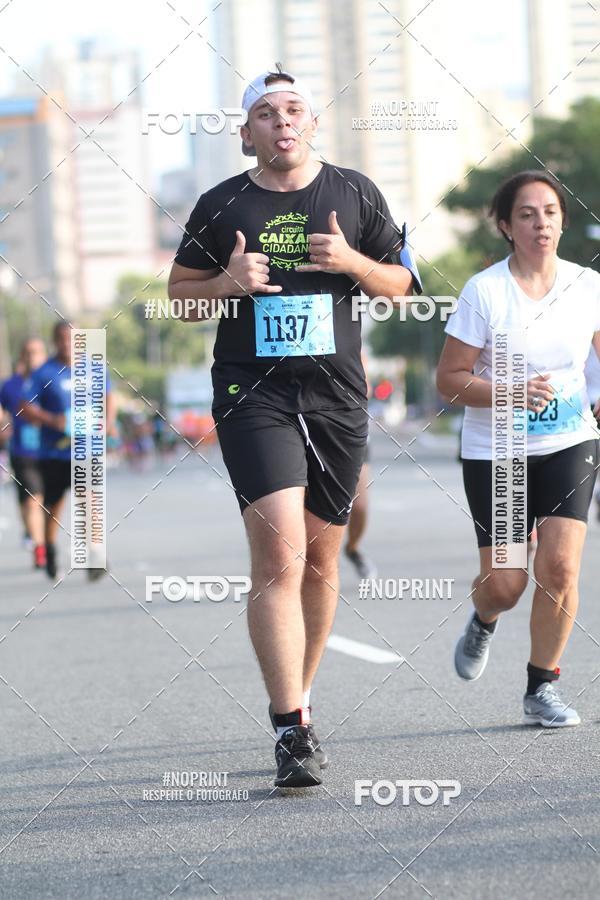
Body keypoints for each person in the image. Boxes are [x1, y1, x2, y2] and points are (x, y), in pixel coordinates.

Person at [169, 65, 420, 787]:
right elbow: (178, 298)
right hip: (255, 393)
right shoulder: (221, 206)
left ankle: (301, 702)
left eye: (294, 109)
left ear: (312, 123)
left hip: (337, 393)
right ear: (246, 133)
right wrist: (224, 283)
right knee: (279, 555)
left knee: (320, 560)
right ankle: (291, 729)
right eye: (267, 113)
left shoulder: (355, 193)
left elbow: (406, 289)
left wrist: (352, 262)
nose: (282, 121)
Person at [437, 170, 600, 727]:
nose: (541, 223)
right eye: (527, 214)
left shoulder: (586, 285)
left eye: (550, 212)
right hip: (499, 449)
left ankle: (541, 687)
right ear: (507, 226)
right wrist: (508, 391)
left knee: (558, 567)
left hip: (570, 441)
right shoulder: (485, 291)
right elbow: (449, 380)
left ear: (563, 220)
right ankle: (484, 618)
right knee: (508, 582)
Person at [21, 321, 114, 581]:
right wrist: (53, 420)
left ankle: (95, 554)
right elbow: (26, 406)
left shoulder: (95, 368)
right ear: (54, 341)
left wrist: (107, 424)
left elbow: (109, 398)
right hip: (54, 453)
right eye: (61, 339)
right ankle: (49, 548)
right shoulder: (44, 373)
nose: (67, 343)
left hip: (86, 448)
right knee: (54, 506)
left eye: (71, 338)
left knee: (89, 499)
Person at [0, 338, 47, 567]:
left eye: (37, 353)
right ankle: (38, 544)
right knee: (29, 502)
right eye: (28, 353)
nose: (32, 358)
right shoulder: (10, 385)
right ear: (22, 357)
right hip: (22, 451)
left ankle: (41, 541)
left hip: (51, 452)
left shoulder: (54, 380)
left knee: (43, 500)